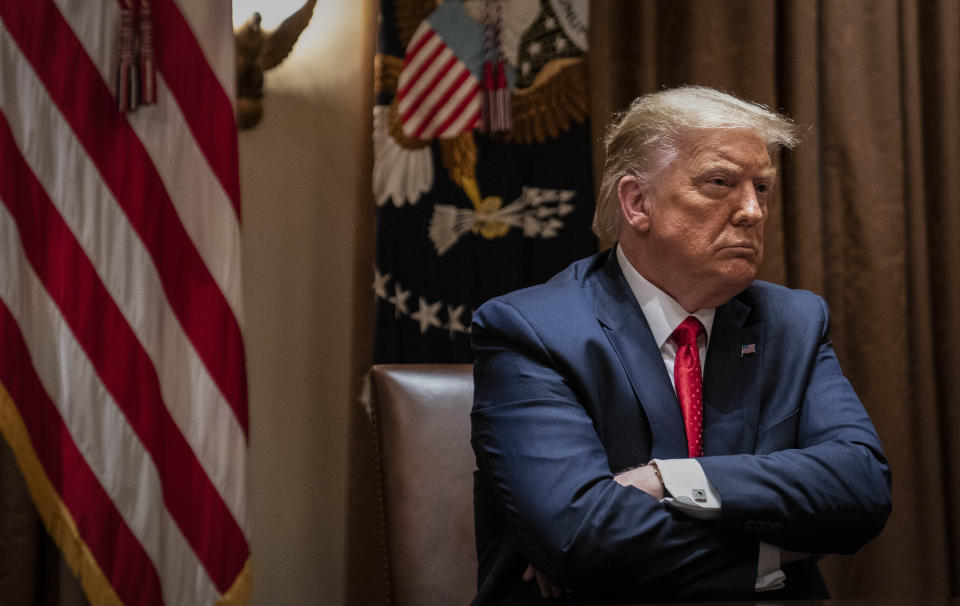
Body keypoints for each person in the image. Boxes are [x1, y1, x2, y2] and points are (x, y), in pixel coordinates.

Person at [469, 86, 891, 604]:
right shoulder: (532, 329)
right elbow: (579, 539)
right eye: (720, 183)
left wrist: (668, 480)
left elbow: (861, 487)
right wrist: (777, 552)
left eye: (762, 187)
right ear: (637, 201)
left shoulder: (793, 322)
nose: (753, 211)